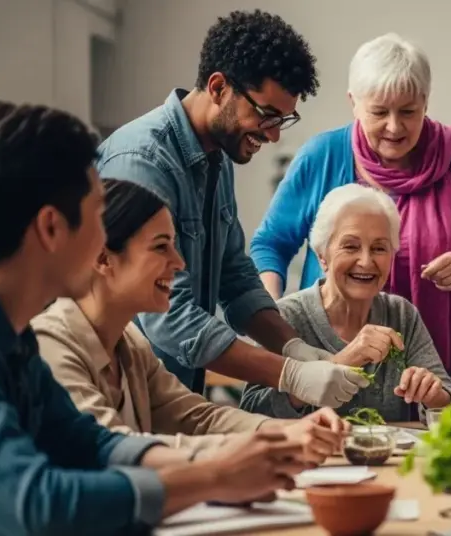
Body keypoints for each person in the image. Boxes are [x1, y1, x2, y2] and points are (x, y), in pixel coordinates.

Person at [0, 101, 339, 535]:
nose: (102, 237)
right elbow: (38, 504)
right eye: (97, 213)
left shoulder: (8, 333)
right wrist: (212, 476)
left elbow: (92, 444)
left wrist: (248, 456)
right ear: (52, 227)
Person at [96, 10, 370, 405]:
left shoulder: (217, 158)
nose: (274, 135)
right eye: (266, 115)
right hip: (121, 397)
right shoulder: (141, 162)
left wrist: (293, 346)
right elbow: (169, 318)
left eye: (284, 119)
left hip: (175, 395)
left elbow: (234, 275)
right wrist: (288, 374)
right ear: (219, 87)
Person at [249, 33, 451, 398]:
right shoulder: (322, 155)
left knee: (431, 420)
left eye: (408, 111)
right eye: (379, 111)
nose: (394, 127)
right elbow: (270, 243)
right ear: (354, 103)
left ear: (425, 102)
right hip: (332, 339)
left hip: (433, 342)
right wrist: (274, 321)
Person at [33, 179, 348, 457]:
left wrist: (286, 432)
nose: (180, 263)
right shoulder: (50, 346)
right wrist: (266, 442)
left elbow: (199, 418)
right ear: (103, 258)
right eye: (161, 247)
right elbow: (115, 448)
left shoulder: (129, 342)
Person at [242, 184, 451, 422]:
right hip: (307, 458)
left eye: (379, 248)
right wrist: (338, 365)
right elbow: (251, 410)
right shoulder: (285, 318)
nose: (366, 261)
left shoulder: (401, 314)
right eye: (350, 246)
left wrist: (435, 396)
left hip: (387, 457)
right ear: (322, 256)